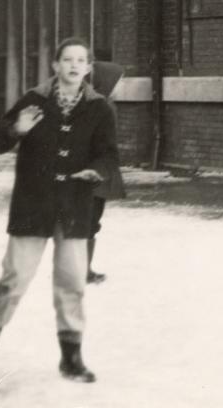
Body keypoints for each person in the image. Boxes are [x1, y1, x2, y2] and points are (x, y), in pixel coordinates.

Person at [0, 37, 119, 383]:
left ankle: (71, 358)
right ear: (56, 66)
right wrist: (15, 130)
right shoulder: (34, 100)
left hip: (75, 206)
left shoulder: (99, 108)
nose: (74, 66)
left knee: (72, 282)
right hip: (33, 204)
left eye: (81, 61)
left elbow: (108, 153)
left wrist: (98, 170)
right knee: (13, 280)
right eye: (67, 60)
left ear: (89, 68)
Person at [86, 58, 126, 285]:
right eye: (119, 82)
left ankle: (82, 269)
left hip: (98, 170)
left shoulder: (99, 103)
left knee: (90, 220)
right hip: (96, 172)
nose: (121, 87)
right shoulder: (102, 106)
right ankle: (81, 271)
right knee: (90, 220)